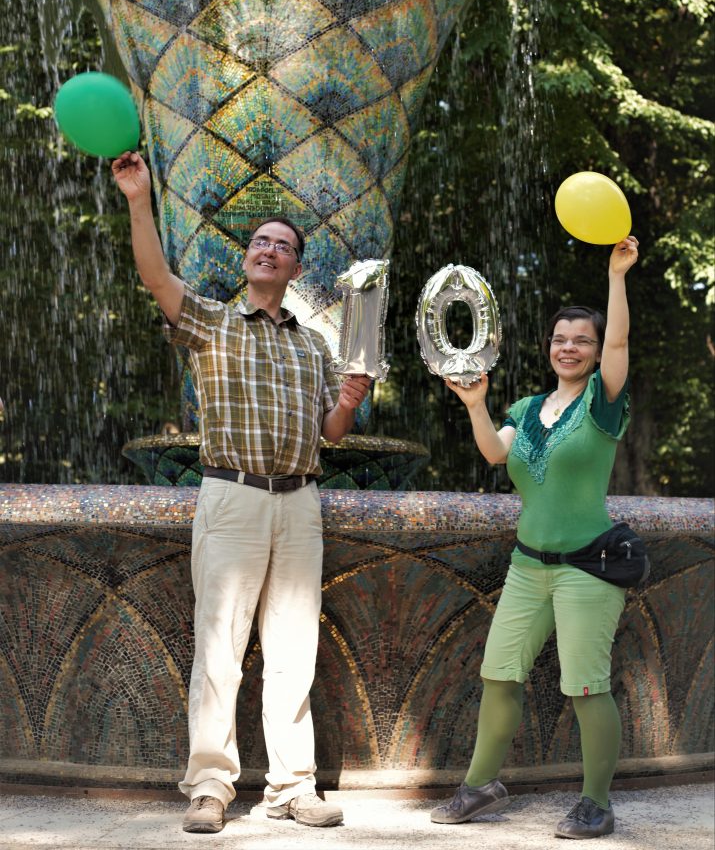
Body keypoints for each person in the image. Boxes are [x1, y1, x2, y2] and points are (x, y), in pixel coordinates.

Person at [111, 151, 371, 835]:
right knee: (219, 646)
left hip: (299, 501)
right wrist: (139, 198)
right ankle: (209, 786)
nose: (268, 250)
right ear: (247, 259)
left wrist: (350, 398)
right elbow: (155, 277)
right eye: (260, 242)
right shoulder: (211, 322)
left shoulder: (313, 347)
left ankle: (292, 788)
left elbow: (331, 433)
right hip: (231, 497)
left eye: (282, 246)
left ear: (292, 268)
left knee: (293, 651)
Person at [431, 236, 639, 840]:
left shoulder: (604, 403)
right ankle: (480, 787)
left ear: (598, 353)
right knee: (499, 675)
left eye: (582, 340)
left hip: (587, 568)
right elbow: (497, 453)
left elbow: (622, 340)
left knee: (585, 685)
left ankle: (595, 801)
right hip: (527, 567)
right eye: (560, 339)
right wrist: (476, 403)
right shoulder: (526, 407)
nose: (568, 347)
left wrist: (616, 276)